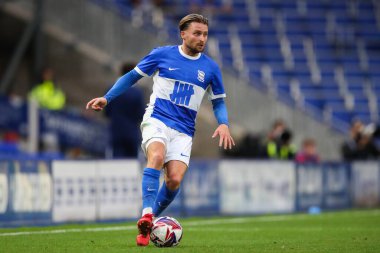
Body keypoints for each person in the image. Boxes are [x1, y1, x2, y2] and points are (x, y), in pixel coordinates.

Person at [86, 14, 235, 246]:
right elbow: (131, 77)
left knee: (174, 179)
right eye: (197, 33)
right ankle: (146, 213)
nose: (202, 38)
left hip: (184, 130)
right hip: (158, 120)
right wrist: (107, 98)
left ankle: (149, 222)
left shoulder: (210, 68)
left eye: (205, 34)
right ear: (183, 34)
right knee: (156, 155)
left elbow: (218, 101)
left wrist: (223, 123)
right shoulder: (162, 54)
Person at [105, 62, 145, 158]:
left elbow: (107, 112)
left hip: (116, 132)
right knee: (132, 164)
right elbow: (140, 114)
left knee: (117, 163)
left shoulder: (111, 89)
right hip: (132, 133)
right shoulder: (137, 93)